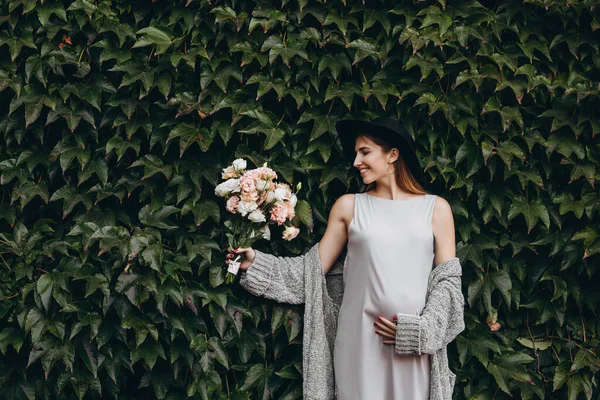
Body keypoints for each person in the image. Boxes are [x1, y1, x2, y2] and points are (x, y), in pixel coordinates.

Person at [227, 117, 465, 400]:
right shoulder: (349, 206)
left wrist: (420, 332)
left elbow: (448, 285)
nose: (356, 161)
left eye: (364, 152)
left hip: (414, 346)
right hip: (359, 344)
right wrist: (255, 264)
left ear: (392, 154)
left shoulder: (436, 209)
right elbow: (311, 273)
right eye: (356, 153)